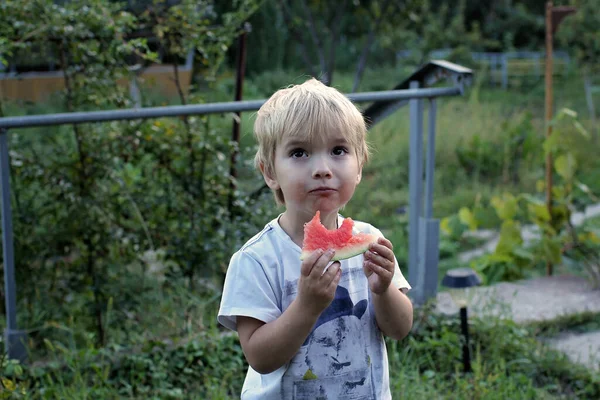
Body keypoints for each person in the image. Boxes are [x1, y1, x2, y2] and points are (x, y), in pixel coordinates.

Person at [217, 78, 413, 399]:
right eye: (299, 152)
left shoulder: (369, 240)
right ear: (270, 172)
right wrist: (307, 306)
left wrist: (384, 289)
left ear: (360, 164)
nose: (322, 168)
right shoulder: (256, 259)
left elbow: (400, 329)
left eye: (338, 150)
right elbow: (260, 358)